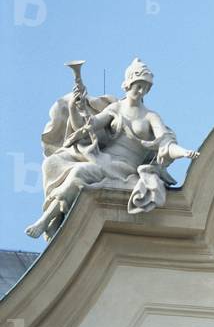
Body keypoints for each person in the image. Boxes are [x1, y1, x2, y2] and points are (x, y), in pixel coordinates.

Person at [26, 58, 199, 239]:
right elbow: (88, 126)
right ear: (127, 84)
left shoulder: (151, 116)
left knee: (79, 172)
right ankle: (49, 219)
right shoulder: (116, 108)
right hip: (104, 159)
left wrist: (185, 153)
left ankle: (45, 221)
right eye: (137, 86)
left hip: (125, 167)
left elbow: (166, 144)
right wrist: (75, 107)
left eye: (145, 87)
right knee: (57, 164)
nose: (141, 91)